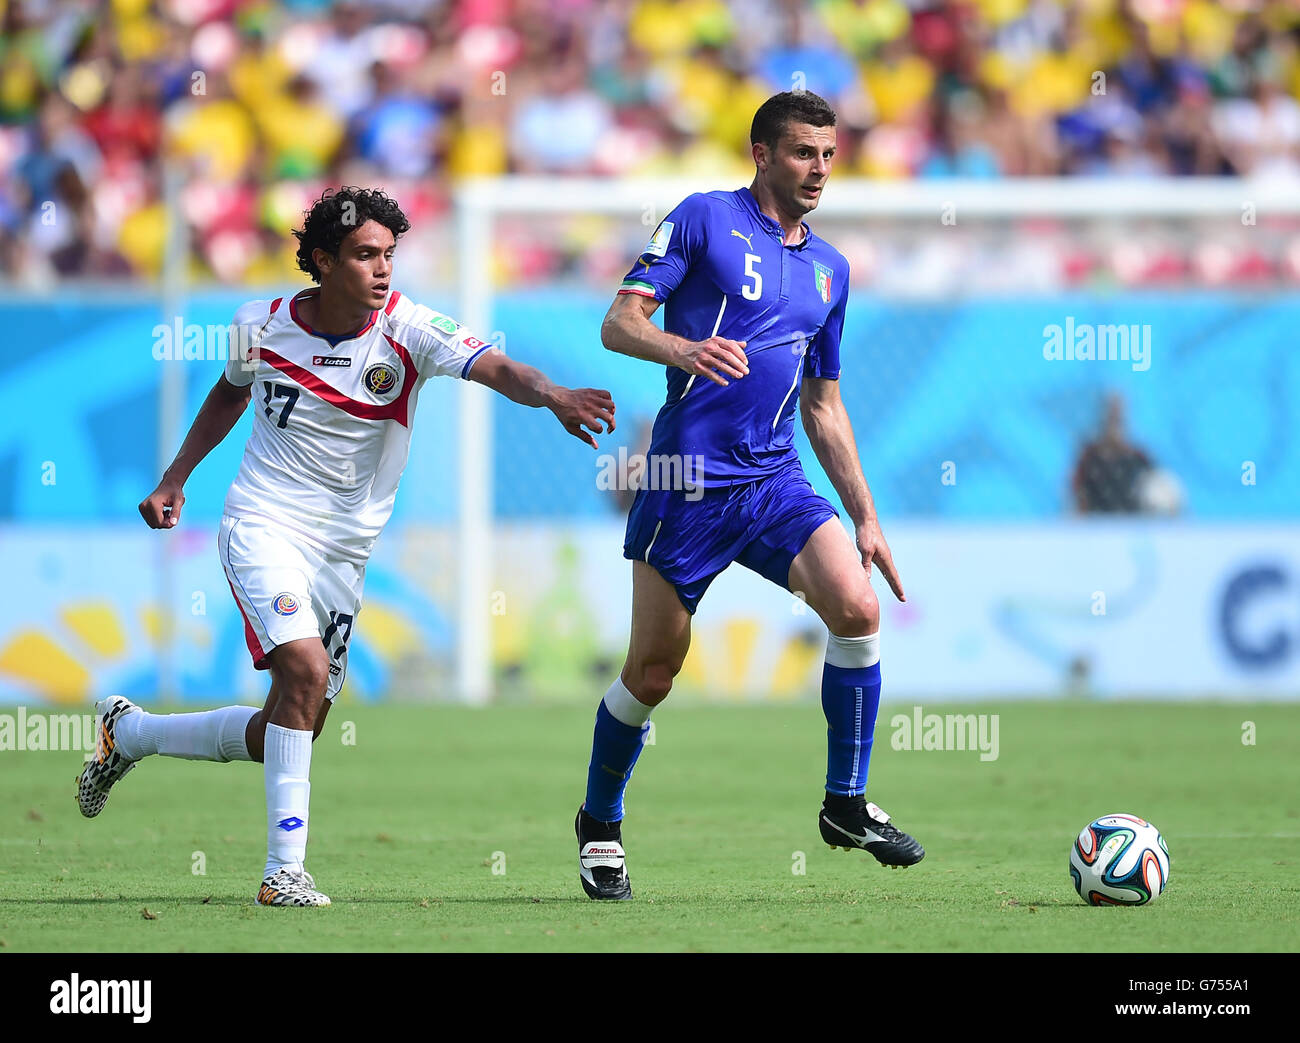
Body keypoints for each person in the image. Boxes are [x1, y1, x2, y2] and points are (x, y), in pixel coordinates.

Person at [78, 187, 615, 907]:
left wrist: (552, 394)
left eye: (390, 254)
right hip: (263, 523)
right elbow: (231, 392)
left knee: (287, 727)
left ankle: (131, 733)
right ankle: (282, 872)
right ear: (325, 261)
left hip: (343, 555)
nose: (384, 269)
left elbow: (500, 368)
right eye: (366, 255)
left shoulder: (410, 329)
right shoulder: (260, 325)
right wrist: (176, 476)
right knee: (301, 669)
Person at [576, 91, 923, 901]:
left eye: (830, 155)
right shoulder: (702, 218)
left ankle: (845, 803)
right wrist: (684, 347)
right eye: (805, 152)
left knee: (858, 609)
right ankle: (600, 822)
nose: (820, 170)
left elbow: (823, 405)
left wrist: (866, 516)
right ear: (762, 152)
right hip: (687, 484)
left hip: (775, 481)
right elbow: (619, 322)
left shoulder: (831, 269)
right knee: (653, 672)